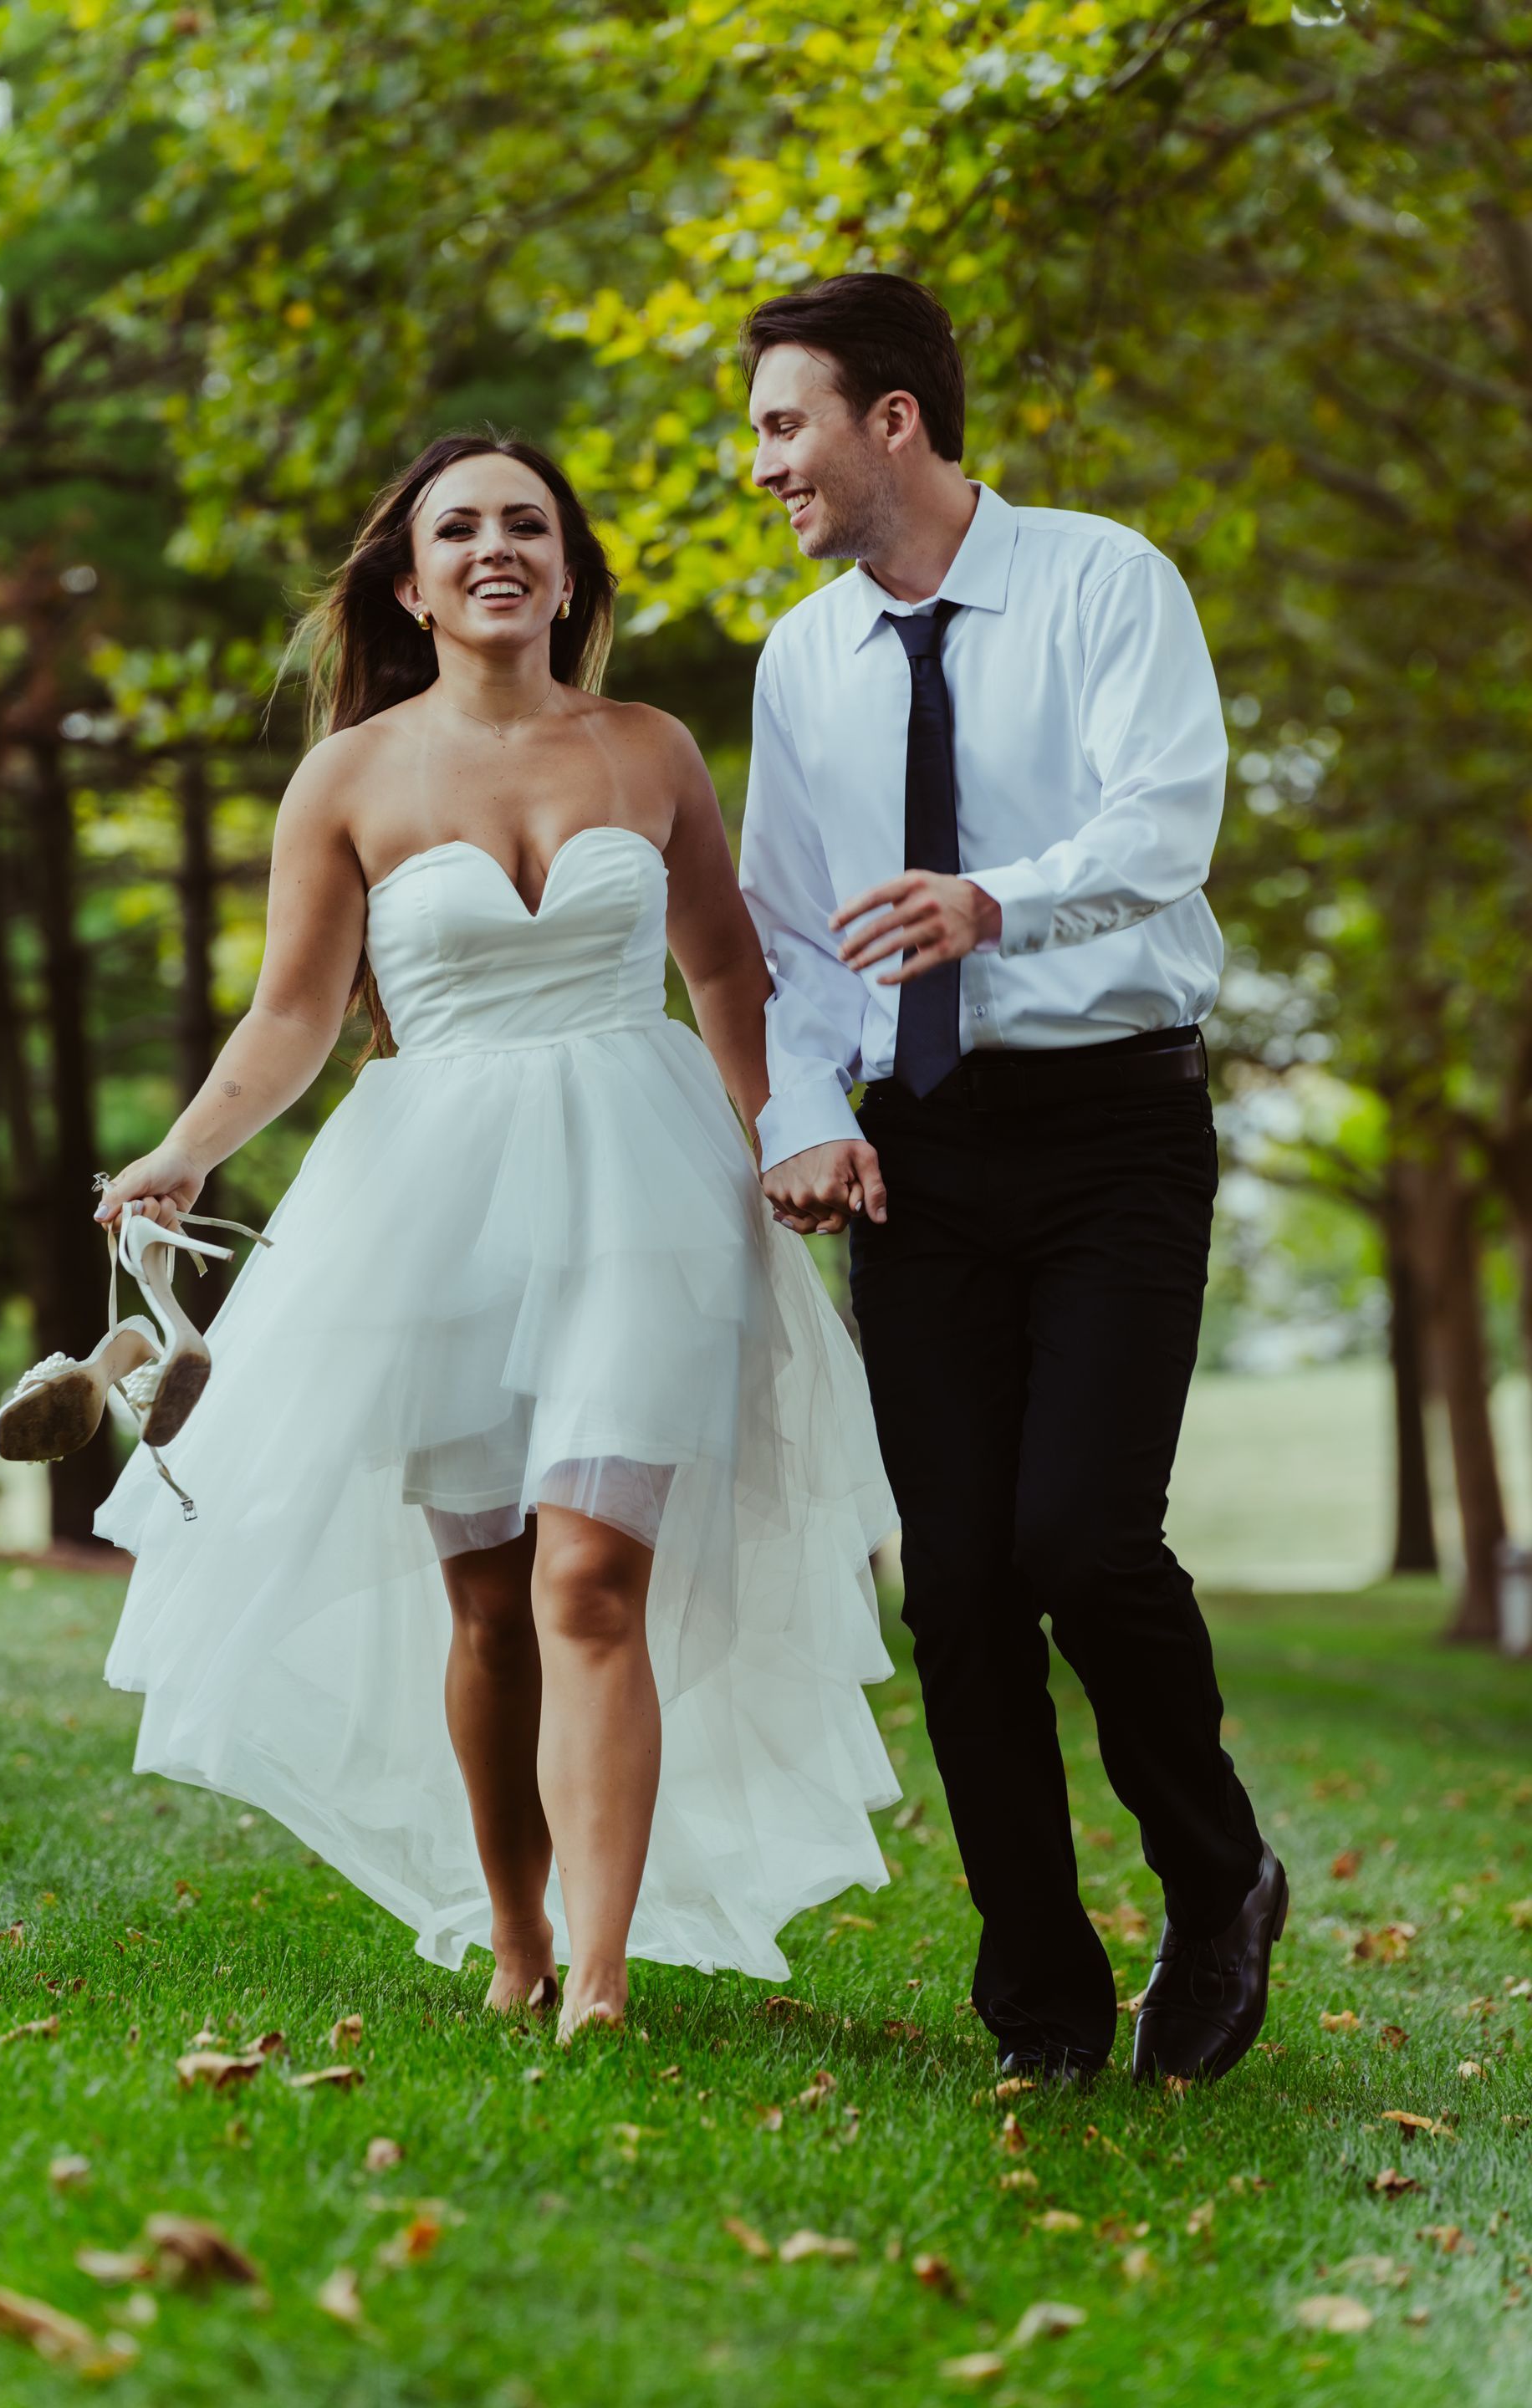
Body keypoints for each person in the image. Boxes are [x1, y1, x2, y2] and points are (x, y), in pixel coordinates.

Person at [89, 431, 898, 2043]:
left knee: (593, 1576)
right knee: (486, 1598)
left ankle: (600, 1981)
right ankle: (517, 1935)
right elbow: (295, 1014)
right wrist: (181, 1155)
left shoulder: (652, 750)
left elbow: (728, 972)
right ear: (413, 580)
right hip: (435, 1205)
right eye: (459, 529)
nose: (495, 547)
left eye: (528, 523)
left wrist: (783, 1130)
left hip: (642, 1196)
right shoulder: (352, 776)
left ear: (569, 569)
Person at [738, 273, 1285, 2086]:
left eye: (783, 423)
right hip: (922, 1152)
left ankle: (1221, 1892)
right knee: (959, 1582)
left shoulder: (1105, 582)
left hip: (1115, 1125)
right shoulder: (803, 658)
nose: (765, 468)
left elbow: (1168, 816)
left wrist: (998, 902)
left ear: (892, 418)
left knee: (1079, 1543)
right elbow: (791, 943)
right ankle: (1038, 1982)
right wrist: (801, 1117)